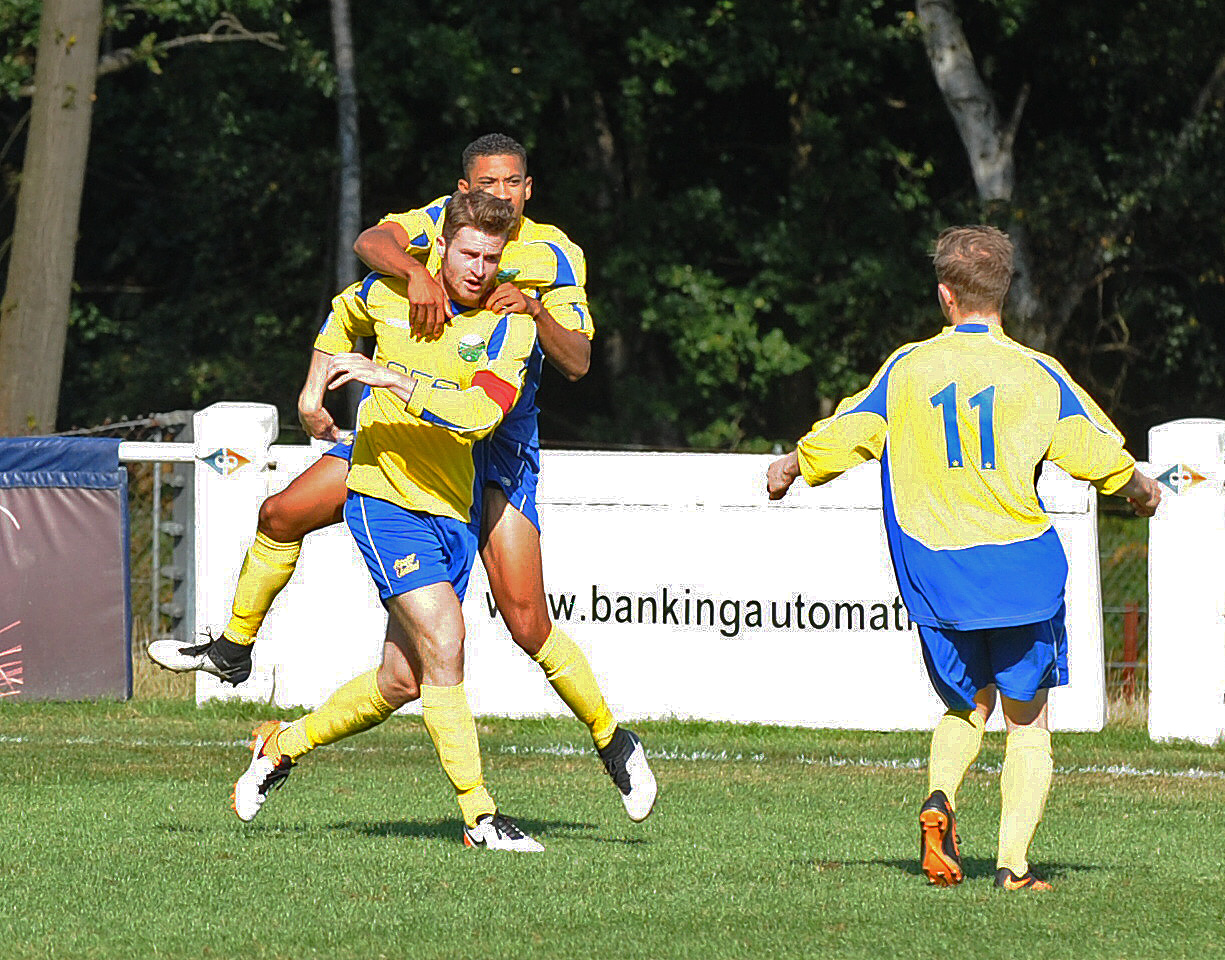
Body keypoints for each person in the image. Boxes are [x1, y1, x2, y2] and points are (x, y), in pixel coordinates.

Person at [149, 133, 657, 823]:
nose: (496, 196)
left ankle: (611, 740)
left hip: (493, 447)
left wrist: (534, 310)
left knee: (522, 626)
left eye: (510, 184)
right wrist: (414, 275)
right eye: (483, 185)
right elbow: (371, 246)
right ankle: (235, 650)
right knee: (280, 513)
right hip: (412, 439)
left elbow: (578, 361)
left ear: (528, 189)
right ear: (462, 191)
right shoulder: (444, 220)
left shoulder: (554, 254)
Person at [766, 225, 1161, 892]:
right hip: (1018, 572)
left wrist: (791, 466)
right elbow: (1102, 459)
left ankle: (941, 797)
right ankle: (1013, 866)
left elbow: (848, 434)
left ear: (945, 294)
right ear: (1002, 293)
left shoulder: (906, 368)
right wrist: (1143, 491)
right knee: (1027, 721)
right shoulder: (1038, 375)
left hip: (939, 573)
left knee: (962, 709)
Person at [232, 188, 547, 850]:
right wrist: (313, 392)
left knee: (402, 679)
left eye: (493, 257)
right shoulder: (391, 292)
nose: (481, 269)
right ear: (442, 248)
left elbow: (481, 415)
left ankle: (280, 746)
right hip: (383, 498)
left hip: (452, 513)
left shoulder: (508, 325)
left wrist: (392, 379)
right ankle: (481, 816)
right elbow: (342, 316)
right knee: (447, 643)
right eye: (470, 253)